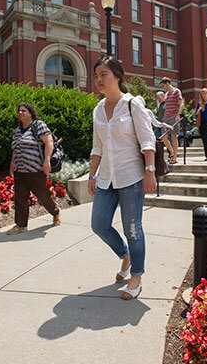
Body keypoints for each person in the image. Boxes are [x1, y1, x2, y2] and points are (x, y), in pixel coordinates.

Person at [88, 55, 156, 300]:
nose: (98, 80)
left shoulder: (132, 104)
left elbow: (147, 139)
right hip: (106, 177)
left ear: (117, 76)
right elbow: (98, 145)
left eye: (103, 75)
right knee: (99, 224)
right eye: (96, 76)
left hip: (131, 176)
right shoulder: (97, 109)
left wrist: (150, 171)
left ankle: (136, 276)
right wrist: (91, 174)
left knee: (133, 228)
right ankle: (124, 255)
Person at [7, 103, 61, 235]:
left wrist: (47, 161)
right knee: (20, 198)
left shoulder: (38, 125)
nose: (20, 113)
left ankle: (55, 211)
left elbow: (49, 142)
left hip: (35, 169)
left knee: (42, 195)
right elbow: (15, 148)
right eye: (19, 111)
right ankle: (20, 225)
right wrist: (12, 164)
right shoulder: (18, 130)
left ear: (31, 113)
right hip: (20, 170)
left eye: (23, 111)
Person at [160, 78, 184, 164]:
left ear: (167, 83)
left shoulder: (176, 91)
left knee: (174, 136)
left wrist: (178, 115)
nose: (163, 88)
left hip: (174, 116)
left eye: (163, 86)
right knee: (164, 137)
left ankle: (174, 157)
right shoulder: (166, 94)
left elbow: (181, 103)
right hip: (166, 117)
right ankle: (172, 153)